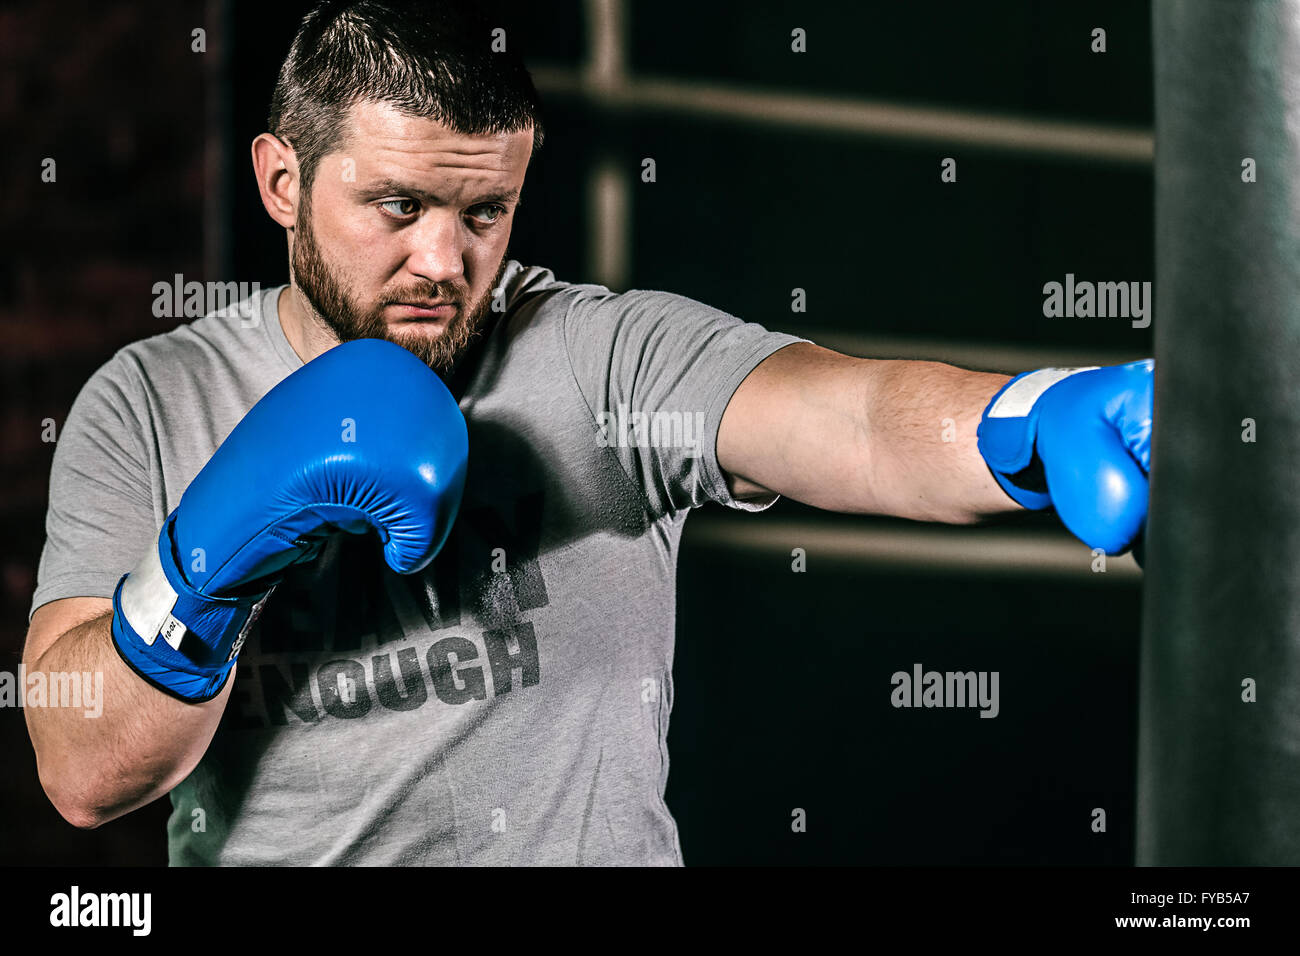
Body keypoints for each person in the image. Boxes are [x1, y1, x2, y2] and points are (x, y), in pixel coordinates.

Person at [22, 0, 1152, 866]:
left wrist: (1021, 417)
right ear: (281, 180)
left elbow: (847, 413)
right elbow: (82, 771)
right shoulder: (151, 398)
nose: (443, 264)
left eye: (484, 213)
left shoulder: (597, 356)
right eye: (399, 206)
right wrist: (214, 556)